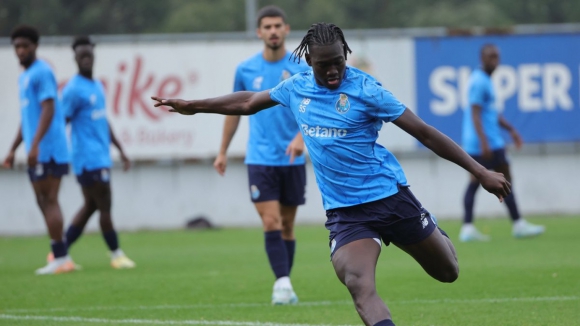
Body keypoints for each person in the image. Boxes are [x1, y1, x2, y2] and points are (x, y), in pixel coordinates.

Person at [152, 23, 512, 326]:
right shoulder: (296, 87)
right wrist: (195, 106)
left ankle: (430, 226)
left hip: (390, 198)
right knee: (358, 283)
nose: (332, 71)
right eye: (324, 65)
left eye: (338, 62)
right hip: (346, 214)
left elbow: (425, 132)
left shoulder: (367, 89)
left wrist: (480, 171)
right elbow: (248, 102)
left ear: (346, 55)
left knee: (447, 272)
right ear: (310, 61)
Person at [212, 5, 308, 305]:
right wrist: (223, 151)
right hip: (260, 158)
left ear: (286, 29)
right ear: (259, 32)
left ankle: (285, 282)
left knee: (288, 225)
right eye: (267, 27)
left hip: (292, 159)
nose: (273, 31)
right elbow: (234, 111)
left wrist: (300, 139)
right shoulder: (245, 70)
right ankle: (281, 282)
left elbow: (314, 112)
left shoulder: (302, 69)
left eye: (278, 26)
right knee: (271, 222)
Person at [3, 25, 77, 275]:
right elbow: (28, 119)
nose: (21, 51)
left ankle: (60, 258)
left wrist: (34, 145)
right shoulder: (24, 76)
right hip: (38, 147)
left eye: (25, 46)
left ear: (35, 46)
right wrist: (13, 149)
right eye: (17, 47)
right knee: (42, 200)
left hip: (50, 148)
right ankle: (60, 255)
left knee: (49, 199)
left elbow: (48, 109)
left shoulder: (42, 72)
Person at [59, 36, 136, 269]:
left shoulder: (96, 85)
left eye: (88, 55)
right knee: (105, 204)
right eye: (81, 55)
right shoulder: (73, 89)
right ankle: (116, 255)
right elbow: (62, 121)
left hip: (99, 155)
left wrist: (120, 149)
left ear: (93, 55)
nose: (85, 59)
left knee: (91, 206)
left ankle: (59, 252)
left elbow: (103, 121)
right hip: (88, 157)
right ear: (74, 57)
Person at [459, 44, 545, 242]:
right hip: (488, 142)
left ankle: (467, 227)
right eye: (491, 57)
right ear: (482, 58)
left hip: (481, 141)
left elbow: (491, 114)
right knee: (506, 180)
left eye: (497, 57)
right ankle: (518, 224)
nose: (495, 61)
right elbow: (475, 112)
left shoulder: (483, 80)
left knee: (474, 183)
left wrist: (511, 129)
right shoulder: (480, 81)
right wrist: (484, 142)